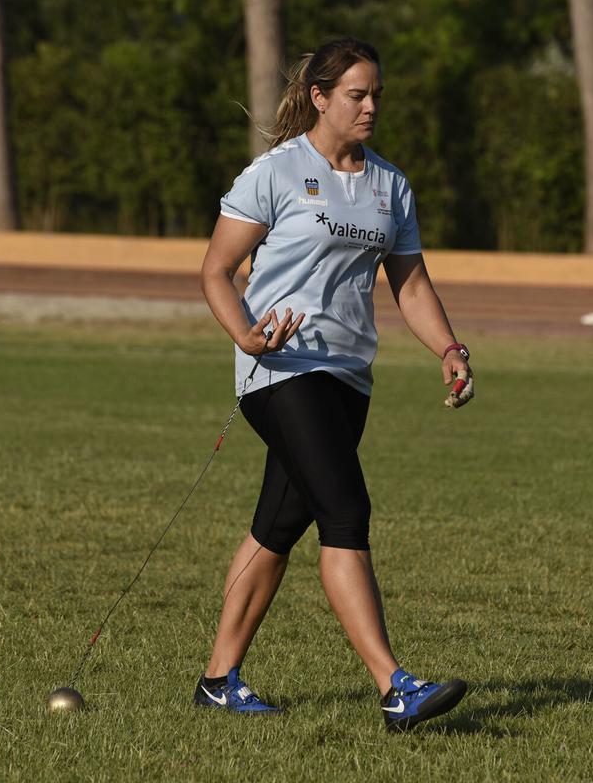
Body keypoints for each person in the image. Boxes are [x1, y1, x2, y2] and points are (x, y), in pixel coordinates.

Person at [195, 37, 474, 732]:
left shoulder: (391, 185)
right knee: (345, 512)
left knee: (277, 526)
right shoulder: (276, 172)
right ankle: (396, 687)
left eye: (377, 93)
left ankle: (218, 681)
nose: (371, 106)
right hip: (281, 371)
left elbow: (411, 284)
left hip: (350, 379)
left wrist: (448, 347)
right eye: (357, 94)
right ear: (319, 98)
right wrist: (246, 335)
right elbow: (215, 270)